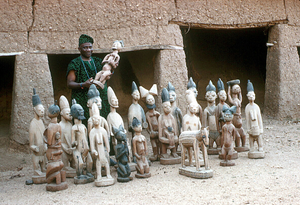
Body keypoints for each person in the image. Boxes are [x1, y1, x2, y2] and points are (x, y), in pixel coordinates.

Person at [66, 34, 109, 126]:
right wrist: (83, 84)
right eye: (85, 47)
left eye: (90, 47)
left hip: (100, 98)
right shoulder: (75, 63)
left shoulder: (98, 61)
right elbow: (70, 83)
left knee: (101, 121)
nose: (88, 49)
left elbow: (106, 73)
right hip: (82, 98)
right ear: (79, 49)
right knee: (85, 123)